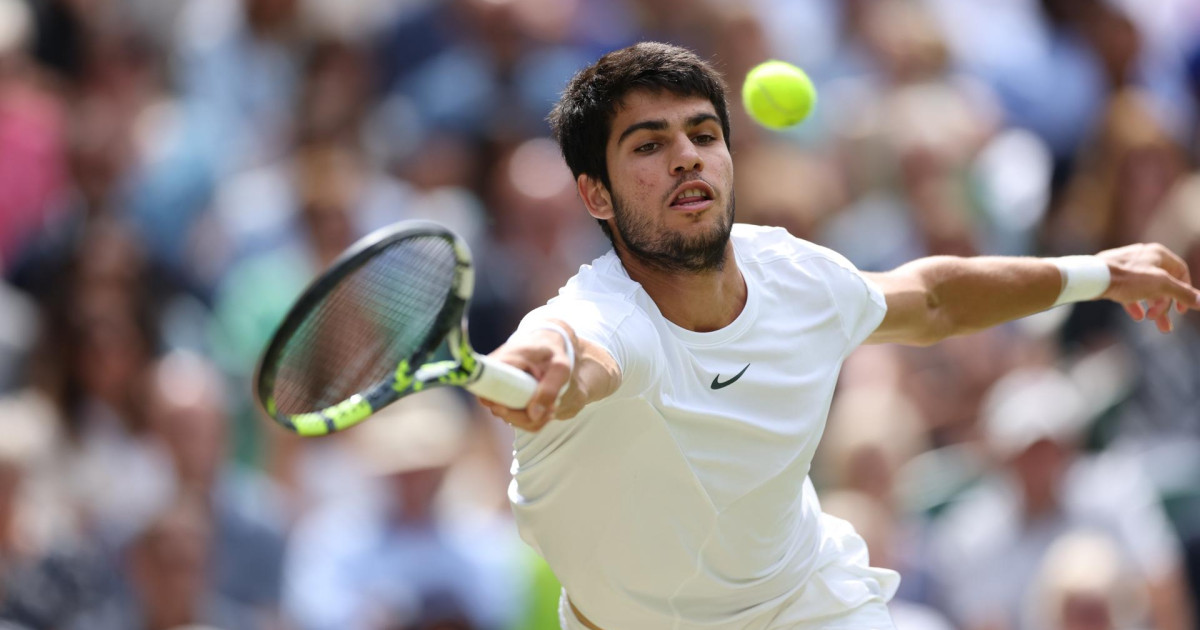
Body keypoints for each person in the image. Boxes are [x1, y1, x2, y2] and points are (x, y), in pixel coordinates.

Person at [477, 42, 1200, 630]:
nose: (687, 157)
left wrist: (1095, 271)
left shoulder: (795, 275)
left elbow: (935, 298)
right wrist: (545, 368)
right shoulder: (594, 318)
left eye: (703, 134)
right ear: (594, 194)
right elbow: (579, 356)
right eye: (648, 145)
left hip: (808, 605)